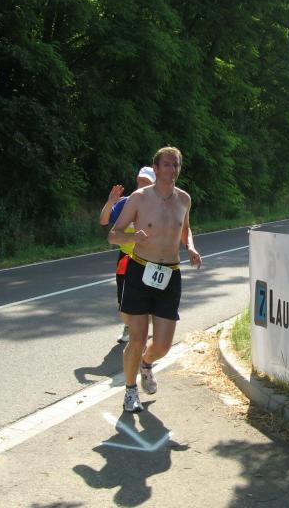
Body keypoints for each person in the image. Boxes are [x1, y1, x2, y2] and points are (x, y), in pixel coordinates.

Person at [108, 147, 202, 413]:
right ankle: (130, 391)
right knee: (137, 339)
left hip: (170, 273)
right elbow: (113, 235)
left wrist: (190, 247)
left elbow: (185, 228)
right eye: (168, 164)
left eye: (176, 165)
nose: (172, 170)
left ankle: (146, 363)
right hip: (140, 270)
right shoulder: (139, 198)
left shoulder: (184, 199)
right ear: (156, 168)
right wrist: (132, 237)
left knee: (162, 345)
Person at [99, 166, 156, 343]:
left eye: (146, 182)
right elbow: (104, 221)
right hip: (126, 258)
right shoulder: (126, 202)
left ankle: (141, 325)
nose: (142, 184)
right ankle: (129, 325)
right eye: (140, 180)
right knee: (122, 297)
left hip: (149, 259)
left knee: (146, 295)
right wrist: (110, 202)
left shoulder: (158, 205)